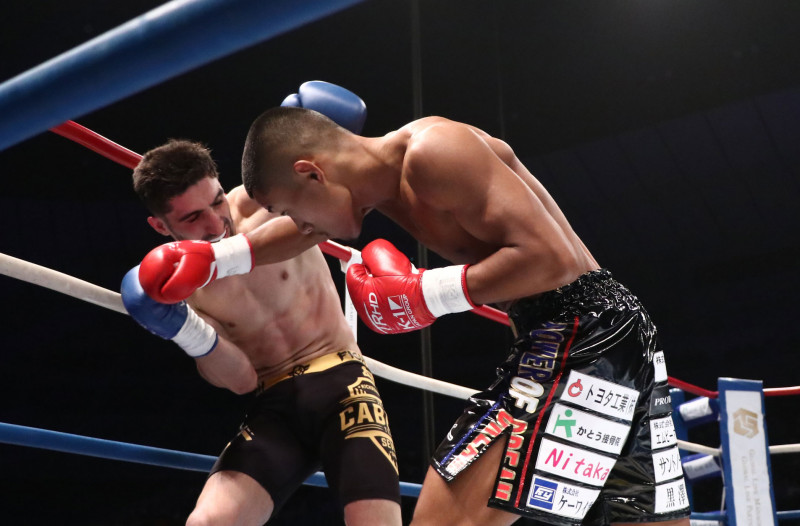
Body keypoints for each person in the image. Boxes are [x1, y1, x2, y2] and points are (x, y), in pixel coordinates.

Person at [140, 103, 691, 525]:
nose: (296, 225)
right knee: (642, 516)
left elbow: (552, 260)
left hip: (577, 333)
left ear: (312, 173)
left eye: (287, 209)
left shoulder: (433, 152)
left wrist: (427, 294)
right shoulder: (379, 186)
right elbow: (295, 232)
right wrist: (215, 259)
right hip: (613, 336)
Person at [120, 135, 402, 526]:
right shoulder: (179, 289)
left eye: (217, 201)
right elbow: (241, 381)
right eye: (192, 218)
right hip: (275, 406)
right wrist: (184, 329)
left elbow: (340, 212)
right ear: (159, 225)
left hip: (343, 383)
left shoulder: (267, 201)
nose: (215, 223)